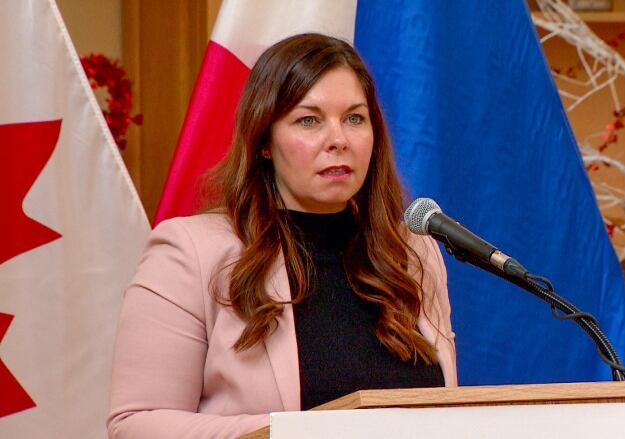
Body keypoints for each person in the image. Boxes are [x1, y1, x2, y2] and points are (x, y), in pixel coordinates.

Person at [107, 33, 457, 439]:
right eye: (309, 120)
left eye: (354, 118)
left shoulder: (412, 252)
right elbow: (136, 424)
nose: (338, 139)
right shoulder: (190, 252)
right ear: (265, 142)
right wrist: (308, 433)